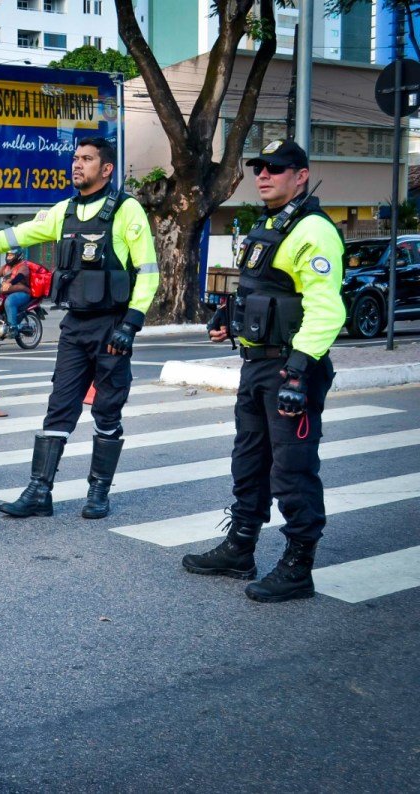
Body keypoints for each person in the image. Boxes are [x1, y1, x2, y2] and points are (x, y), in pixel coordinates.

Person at [0, 137, 159, 520]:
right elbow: (15, 235)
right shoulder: (64, 211)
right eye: (75, 158)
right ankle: (40, 492)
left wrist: (132, 324)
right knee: (59, 407)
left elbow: (148, 272)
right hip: (75, 325)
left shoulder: (125, 209)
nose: (77, 165)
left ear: (106, 169)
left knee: (107, 410)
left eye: (87, 159)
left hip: (111, 326)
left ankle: (98, 493)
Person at [183, 140, 345, 603]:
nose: (264, 175)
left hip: (291, 370)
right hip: (256, 366)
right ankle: (241, 548)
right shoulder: (269, 225)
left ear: (301, 175)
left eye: (276, 168)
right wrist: (228, 318)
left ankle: (298, 566)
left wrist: (298, 372)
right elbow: (263, 291)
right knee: (249, 463)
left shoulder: (314, 230)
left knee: (293, 470)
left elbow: (325, 310)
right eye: (259, 168)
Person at [0, 250, 32, 337]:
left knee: (10, 302)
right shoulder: (6, 267)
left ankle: (13, 328)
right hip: (7, 292)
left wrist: (10, 283)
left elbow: (19, 276)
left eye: (11, 255)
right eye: (8, 255)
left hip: (22, 293)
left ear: (17, 256)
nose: (9, 257)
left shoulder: (23, 266)